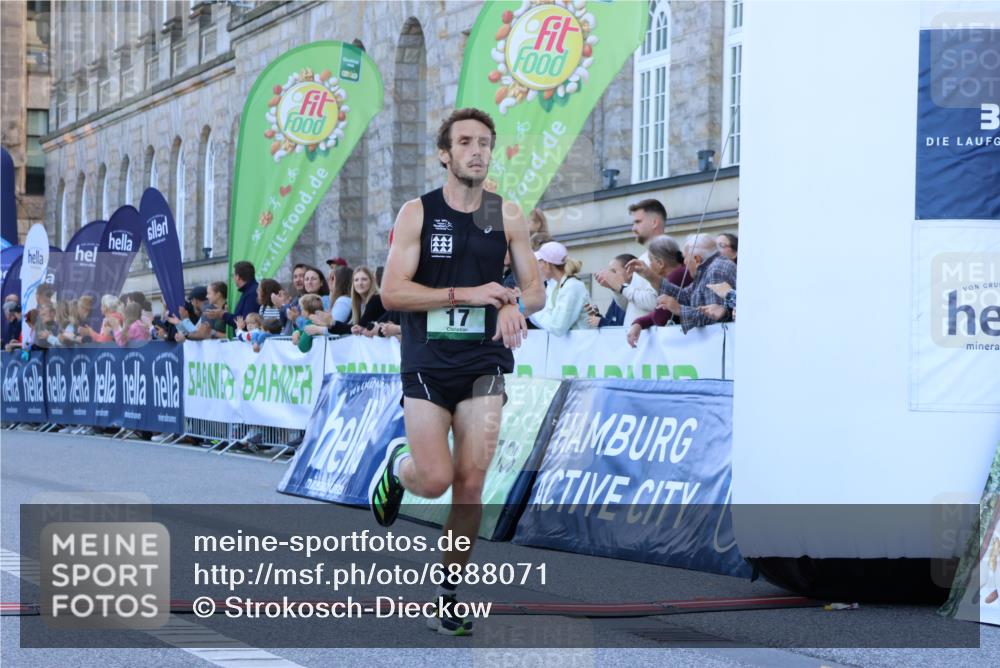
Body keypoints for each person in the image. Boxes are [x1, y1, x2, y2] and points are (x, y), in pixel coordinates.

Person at [369, 108, 545, 636]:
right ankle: (400, 468)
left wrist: (514, 302)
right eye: (465, 142)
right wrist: (465, 293)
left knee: (470, 483)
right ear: (445, 153)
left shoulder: (506, 214)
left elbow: (534, 289)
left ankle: (448, 594)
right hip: (426, 361)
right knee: (436, 479)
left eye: (484, 143)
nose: (476, 150)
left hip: (484, 361)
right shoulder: (417, 213)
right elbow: (391, 292)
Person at [627, 233, 736, 333]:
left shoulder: (715, 270)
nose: (683, 262)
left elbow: (713, 318)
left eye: (685, 258)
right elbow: (685, 296)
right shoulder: (708, 267)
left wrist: (679, 309)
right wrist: (649, 275)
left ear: (697, 259)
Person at [595, 199, 666, 324]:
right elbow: (629, 306)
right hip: (636, 338)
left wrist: (622, 287)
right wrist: (615, 288)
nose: (633, 228)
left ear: (654, 222)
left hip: (650, 338)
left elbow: (655, 303)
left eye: (638, 222)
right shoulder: (643, 257)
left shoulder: (665, 256)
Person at [625, 235, 690, 347]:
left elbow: (660, 318)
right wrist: (639, 323)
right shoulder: (681, 272)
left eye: (650, 261)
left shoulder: (676, 276)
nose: (649, 265)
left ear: (660, 263)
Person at [528, 241, 591, 336]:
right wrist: (523, 304)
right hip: (568, 348)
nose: (536, 268)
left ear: (547, 264)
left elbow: (557, 327)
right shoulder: (555, 286)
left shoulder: (572, 287)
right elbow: (544, 323)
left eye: (538, 263)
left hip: (581, 348)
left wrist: (528, 306)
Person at [587, 254, 635, 328]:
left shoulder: (637, 295)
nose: (609, 275)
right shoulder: (617, 295)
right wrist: (597, 316)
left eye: (613, 271)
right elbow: (610, 320)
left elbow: (627, 327)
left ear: (630, 271)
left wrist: (601, 322)